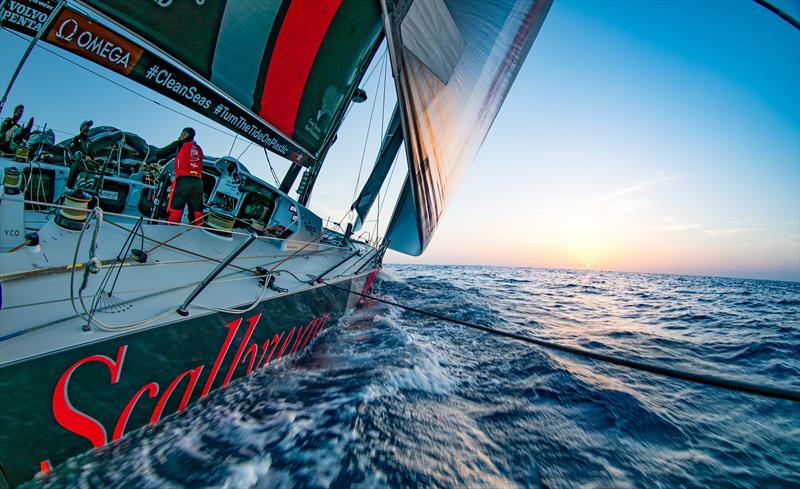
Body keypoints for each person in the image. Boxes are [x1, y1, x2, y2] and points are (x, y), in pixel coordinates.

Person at [156, 127, 204, 224]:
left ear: (185, 135)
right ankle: (197, 234)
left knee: (175, 210)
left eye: (181, 134)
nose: (180, 136)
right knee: (197, 213)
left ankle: (168, 231)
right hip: (198, 183)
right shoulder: (199, 149)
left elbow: (161, 153)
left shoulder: (180, 143)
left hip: (183, 180)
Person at [65, 120, 96, 189]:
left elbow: (91, 154)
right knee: (81, 166)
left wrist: (91, 157)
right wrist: (83, 157)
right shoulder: (76, 138)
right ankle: (81, 184)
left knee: (92, 167)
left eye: (89, 126)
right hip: (78, 160)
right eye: (87, 125)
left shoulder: (89, 142)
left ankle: (90, 185)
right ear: (82, 127)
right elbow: (72, 151)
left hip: (87, 161)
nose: (88, 127)